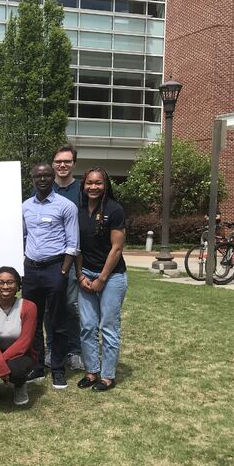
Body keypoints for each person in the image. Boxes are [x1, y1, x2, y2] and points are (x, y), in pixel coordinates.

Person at [21, 162, 79, 389]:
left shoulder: (66, 206)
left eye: (46, 175)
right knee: (32, 320)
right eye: (38, 176)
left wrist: (63, 271)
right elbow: (22, 237)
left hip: (55, 268)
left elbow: (73, 244)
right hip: (31, 269)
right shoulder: (25, 206)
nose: (42, 179)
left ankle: (57, 369)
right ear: (32, 179)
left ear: (53, 177)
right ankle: (36, 366)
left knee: (57, 321)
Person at [75, 167, 128, 392]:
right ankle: (91, 371)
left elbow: (117, 248)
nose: (93, 187)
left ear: (105, 185)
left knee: (108, 326)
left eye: (98, 183)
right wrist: (80, 275)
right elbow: (75, 247)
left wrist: (102, 279)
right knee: (87, 326)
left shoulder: (115, 210)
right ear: (83, 185)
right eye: (89, 183)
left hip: (112, 276)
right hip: (85, 274)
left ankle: (107, 375)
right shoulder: (77, 211)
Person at [0, 266, 38, 406]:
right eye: (0, 282)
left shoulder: (29, 307)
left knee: (17, 369)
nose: (5, 286)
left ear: (18, 285)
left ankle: (20, 385)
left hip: (21, 354)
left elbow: (25, 341)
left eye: (10, 282)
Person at [45, 144, 83, 372]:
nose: (62, 165)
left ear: (74, 164)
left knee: (71, 306)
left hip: (75, 259)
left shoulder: (82, 190)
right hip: (49, 261)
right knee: (50, 308)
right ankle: (52, 349)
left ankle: (75, 351)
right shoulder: (43, 188)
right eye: (58, 161)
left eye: (67, 161)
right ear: (52, 164)